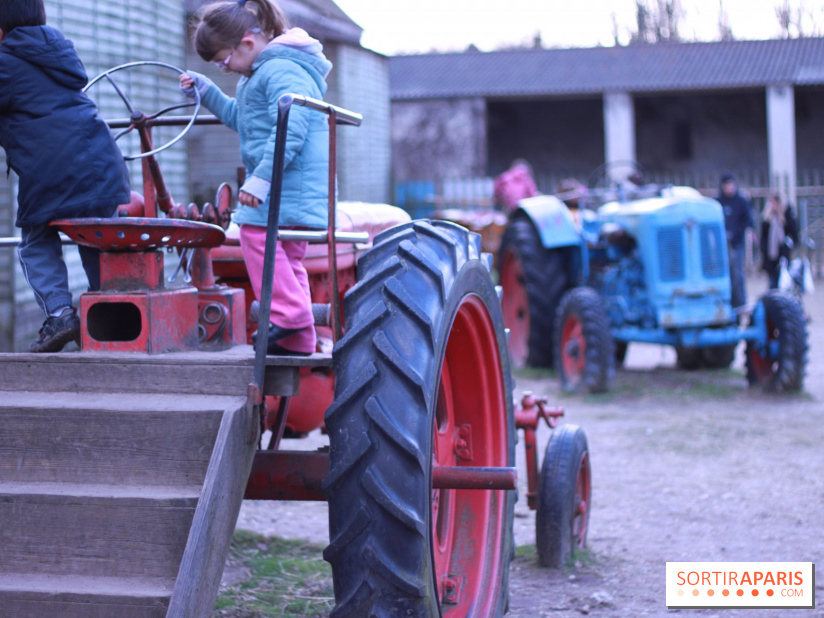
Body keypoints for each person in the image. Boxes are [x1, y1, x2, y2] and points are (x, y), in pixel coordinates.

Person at [181, 0, 332, 356]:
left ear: (247, 43)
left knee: (252, 233)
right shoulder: (258, 76)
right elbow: (241, 118)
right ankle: (299, 338)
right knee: (289, 258)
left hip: (289, 183)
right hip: (287, 183)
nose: (225, 68)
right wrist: (206, 93)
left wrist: (261, 179)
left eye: (223, 60)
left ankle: (291, 315)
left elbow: (290, 128)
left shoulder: (280, 70)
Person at [0, 0, 131, 352]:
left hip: (51, 171)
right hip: (103, 163)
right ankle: (115, 318)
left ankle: (60, 313)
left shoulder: (6, 64)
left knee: (36, 243)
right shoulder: (58, 56)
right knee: (97, 239)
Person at [716, 173, 755, 308]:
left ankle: (740, 305)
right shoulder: (718, 202)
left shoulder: (741, 201)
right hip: (720, 246)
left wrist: (736, 233)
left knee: (737, 275)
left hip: (736, 244)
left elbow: (749, 220)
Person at [759, 192, 798, 290]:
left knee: (783, 281)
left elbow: (794, 233)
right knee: (772, 282)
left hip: (783, 254)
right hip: (771, 255)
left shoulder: (787, 215)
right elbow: (763, 236)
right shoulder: (767, 217)